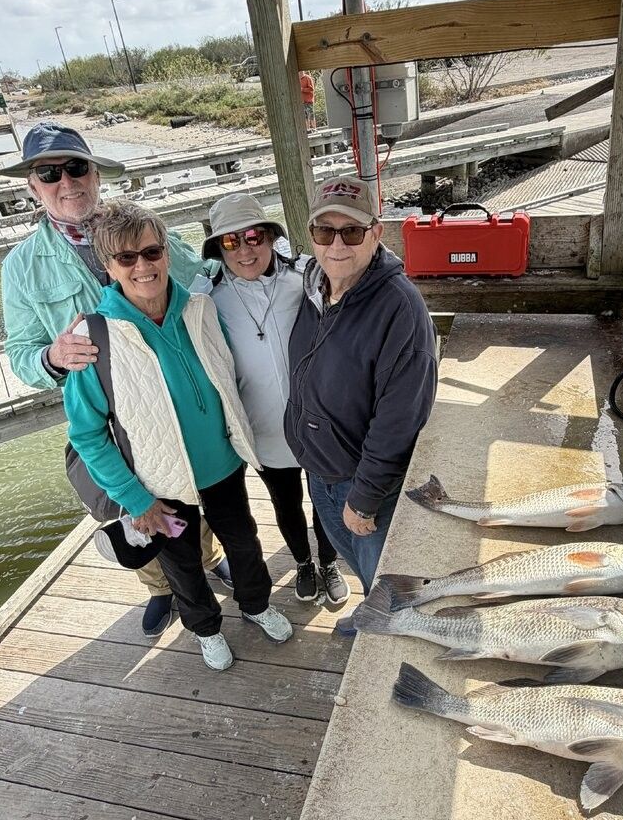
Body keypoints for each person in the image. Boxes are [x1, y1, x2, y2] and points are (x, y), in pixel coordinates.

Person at [0, 121, 231, 637]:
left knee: (188, 487)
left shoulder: (141, 226)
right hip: (105, 415)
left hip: (170, 399)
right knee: (132, 503)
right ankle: (161, 587)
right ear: (32, 187)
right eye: (49, 172)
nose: (67, 180)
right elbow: (18, 354)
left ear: (96, 173)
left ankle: (207, 560)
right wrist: (53, 356)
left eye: (76, 166)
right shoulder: (20, 266)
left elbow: (200, 276)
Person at [63, 201, 293, 671]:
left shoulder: (200, 308)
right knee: (182, 563)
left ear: (166, 253)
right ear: (108, 266)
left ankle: (255, 604)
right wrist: (133, 497)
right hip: (159, 485)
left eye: (151, 252)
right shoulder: (95, 336)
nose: (143, 266)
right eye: (126, 258)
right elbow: (88, 434)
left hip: (223, 466)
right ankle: (206, 628)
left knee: (244, 541)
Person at [284, 176, 437, 633]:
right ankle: (371, 608)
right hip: (322, 472)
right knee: (352, 558)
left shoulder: (401, 311)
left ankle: (384, 627)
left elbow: (400, 420)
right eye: (324, 232)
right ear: (310, 236)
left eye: (351, 232)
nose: (336, 245)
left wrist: (365, 498)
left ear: (376, 233)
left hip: (366, 485)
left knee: (384, 575)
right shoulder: (312, 288)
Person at [201, 193, 351, 607]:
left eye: (253, 236)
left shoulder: (304, 277)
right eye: (231, 242)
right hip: (263, 425)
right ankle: (302, 562)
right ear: (218, 249)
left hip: (319, 422)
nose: (245, 249)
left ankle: (329, 561)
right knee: (285, 502)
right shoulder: (207, 300)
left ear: (270, 237)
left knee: (327, 501)